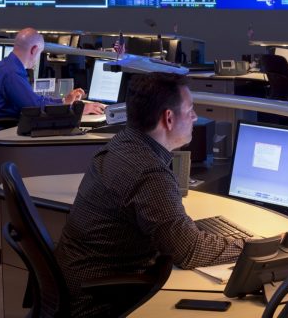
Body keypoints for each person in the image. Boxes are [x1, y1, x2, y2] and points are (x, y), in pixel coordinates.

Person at [55, 73, 243, 317]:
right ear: (168, 118)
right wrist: (250, 247)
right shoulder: (148, 171)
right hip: (98, 302)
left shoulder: (122, 143)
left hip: (78, 280)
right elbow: (189, 250)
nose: (195, 118)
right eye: (190, 110)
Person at [0, 28, 105, 123]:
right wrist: (78, 109)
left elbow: (35, 101)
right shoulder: (12, 73)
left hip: (2, 128)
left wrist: (64, 101)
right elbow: (35, 108)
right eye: (40, 52)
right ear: (34, 50)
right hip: (4, 133)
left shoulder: (8, 65)